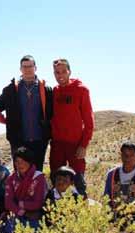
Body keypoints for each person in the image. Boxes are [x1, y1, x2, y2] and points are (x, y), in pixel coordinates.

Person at [0, 55, 53, 171]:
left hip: (39, 140)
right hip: (18, 141)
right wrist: (5, 122)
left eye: (30, 66)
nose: (27, 69)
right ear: (20, 69)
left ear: (35, 68)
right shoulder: (10, 90)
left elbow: (52, 113)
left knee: (37, 173)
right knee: (19, 175)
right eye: (24, 66)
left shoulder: (46, 89)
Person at [50, 58, 94, 196]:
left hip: (75, 144)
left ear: (69, 71)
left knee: (78, 180)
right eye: (57, 72)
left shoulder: (81, 90)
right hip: (57, 144)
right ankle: (56, 212)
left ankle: (81, 211)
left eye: (63, 71)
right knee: (56, 179)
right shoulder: (54, 91)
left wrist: (84, 145)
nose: (60, 75)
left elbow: (89, 121)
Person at [0, 147, 48, 233]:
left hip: (34, 214)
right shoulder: (11, 179)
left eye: (23, 161)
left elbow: (38, 203)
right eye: (17, 161)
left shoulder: (39, 178)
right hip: (17, 213)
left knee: (36, 231)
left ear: (29, 162)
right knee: (8, 230)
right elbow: (8, 203)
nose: (20, 165)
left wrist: (19, 203)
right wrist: (23, 212)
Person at [103, 142, 135, 227]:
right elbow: (106, 195)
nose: (127, 158)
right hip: (115, 213)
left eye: (131, 155)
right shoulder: (112, 174)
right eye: (125, 155)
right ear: (121, 156)